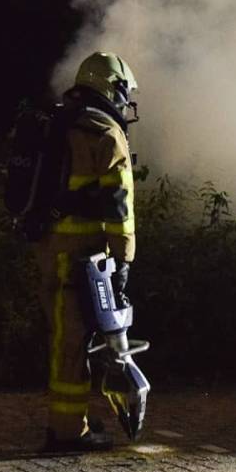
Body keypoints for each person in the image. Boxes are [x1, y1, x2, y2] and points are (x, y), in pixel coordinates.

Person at [34, 52, 139, 451]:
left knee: (65, 339)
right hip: (79, 257)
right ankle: (65, 433)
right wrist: (123, 258)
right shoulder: (105, 133)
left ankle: (71, 419)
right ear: (112, 88)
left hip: (48, 247)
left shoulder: (58, 122)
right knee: (72, 343)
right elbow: (119, 206)